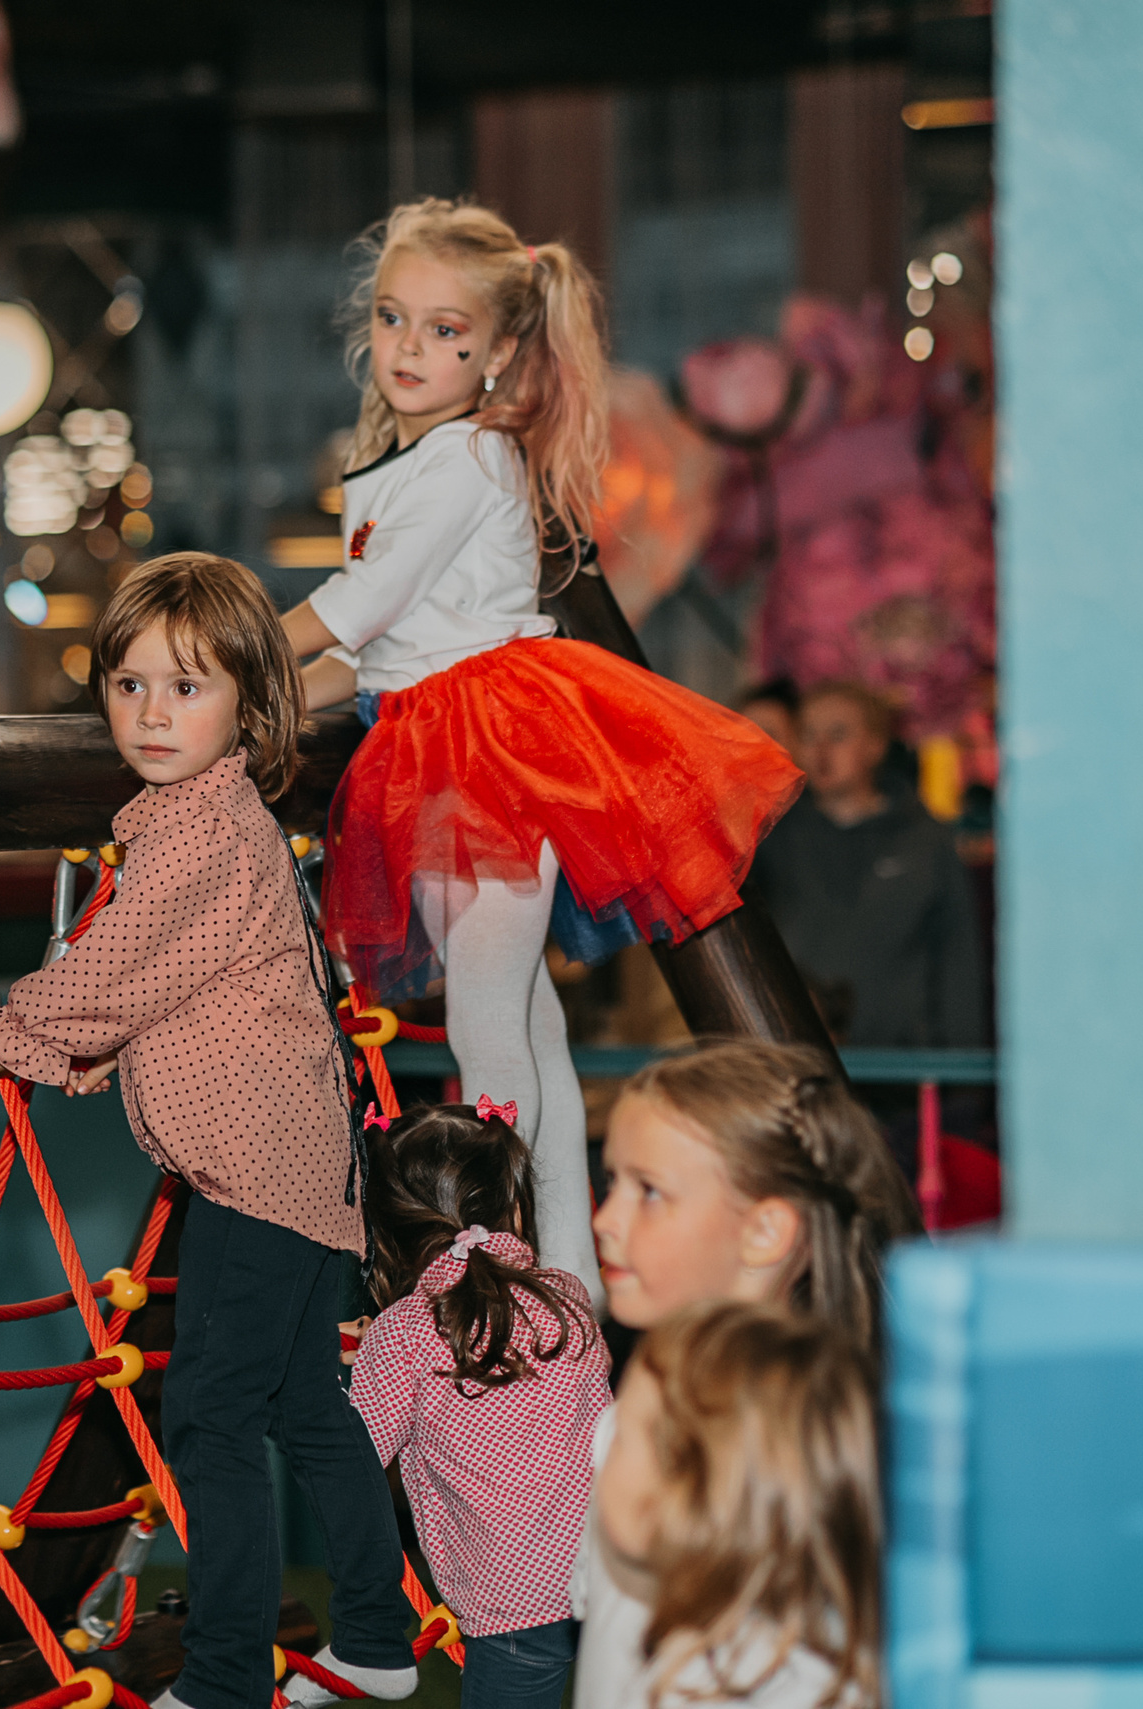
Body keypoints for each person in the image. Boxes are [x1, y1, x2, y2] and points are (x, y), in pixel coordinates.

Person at [0, 554, 416, 1709]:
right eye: (129, 685)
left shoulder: (196, 833)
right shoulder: (210, 815)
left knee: (210, 1417)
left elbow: (109, 974)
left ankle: (223, 1675)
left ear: (249, 705)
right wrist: (106, 1054)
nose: (152, 713)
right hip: (291, 1157)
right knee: (302, 1403)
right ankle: (378, 1635)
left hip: (256, 1169)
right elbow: (190, 988)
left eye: (187, 686)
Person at [280, 198, 804, 1306]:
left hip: (485, 748)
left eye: (445, 330)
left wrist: (221, 659)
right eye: (392, 318)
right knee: (525, 1025)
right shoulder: (411, 456)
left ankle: (494, 1259)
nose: (409, 347)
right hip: (436, 735)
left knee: (488, 1024)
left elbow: (356, 607)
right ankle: (564, 1270)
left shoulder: (469, 454)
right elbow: (373, 648)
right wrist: (256, 697)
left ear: (500, 349)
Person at [575, 1040, 916, 1709]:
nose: (605, 1219)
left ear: (764, 1231)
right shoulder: (635, 1407)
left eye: (649, 1191)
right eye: (612, 1182)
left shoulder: (811, 1455)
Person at [342, 1102, 612, 1709]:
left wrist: (343, 1377)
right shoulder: (566, 1296)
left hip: (514, 1599)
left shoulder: (404, 1333)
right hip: (614, 1570)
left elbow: (357, 1455)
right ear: (514, 1204)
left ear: (386, 1227)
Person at [587, 1304, 883, 1708]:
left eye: (620, 1434)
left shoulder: (698, 1689)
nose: (598, 1443)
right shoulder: (820, 1651)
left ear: (687, 1493)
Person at [747, 680, 988, 1048]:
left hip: (901, 1066)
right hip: (796, 1060)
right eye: (808, 735)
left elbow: (958, 962)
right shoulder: (769, 839)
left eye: (838, 734)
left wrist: (958, 1067)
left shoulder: (927, 841)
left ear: (875, 746)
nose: (821, 749)